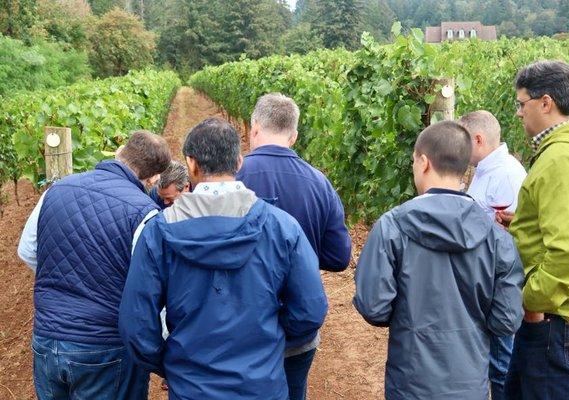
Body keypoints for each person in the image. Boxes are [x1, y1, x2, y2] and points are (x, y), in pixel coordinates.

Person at [119, 117, 328, 400]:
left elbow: (137, 325)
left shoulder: (158, 233)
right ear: (239, 162)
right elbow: (310, 310)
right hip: (261, 387)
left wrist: (174, 363)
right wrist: (269, 347)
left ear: (190, 164)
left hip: (191, 388)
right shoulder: (282, 227)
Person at [354, 120, 524, 400]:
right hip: (469, 384)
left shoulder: (392, 227)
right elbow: (506, 320)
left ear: (423, 162)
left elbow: (374, 306)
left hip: (411, 383)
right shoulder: (497, 238)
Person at [17, 130, 171, 400]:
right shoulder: (144, 212)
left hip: (47, 340)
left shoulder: (56, 189)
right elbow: (149, 290)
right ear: (153, 178)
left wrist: (63, 281)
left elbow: (27, 250)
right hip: (105, 350)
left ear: (120, 151)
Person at [237, 93, 351, 400]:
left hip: (240, 326)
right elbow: (340, 257)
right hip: (297, 328)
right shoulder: (319, 183)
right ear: (294, 135)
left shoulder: (232, 178)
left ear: (254, 128)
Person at [500, 60, 569, 400]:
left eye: (521, 103)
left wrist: (532, 302)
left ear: (546, 103)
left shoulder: (562, 160)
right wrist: (524, 222)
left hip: (555, 316)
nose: (518, 113)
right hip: (557, 314)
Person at [459, 110, 527, 400]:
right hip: (486, 285)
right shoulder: (487, 171)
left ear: (478, 139)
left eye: (464, 141)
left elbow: (514, 242)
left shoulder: (507, 175)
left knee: (501, 367)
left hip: (500, 288)